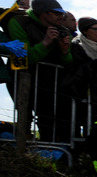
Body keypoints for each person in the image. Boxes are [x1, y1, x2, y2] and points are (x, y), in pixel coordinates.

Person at [7, 0, 72, 142]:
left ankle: (49, 153)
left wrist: (64, 50)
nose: (61, 17)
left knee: (49, 118)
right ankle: (22, 153)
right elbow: (24, 57)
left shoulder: (62, 30)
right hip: (22, 78)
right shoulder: (18, 22)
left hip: (51, 82)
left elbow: (68, 62)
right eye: (56, 13)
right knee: (25, 116)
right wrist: (45, 42)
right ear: (43, 13)